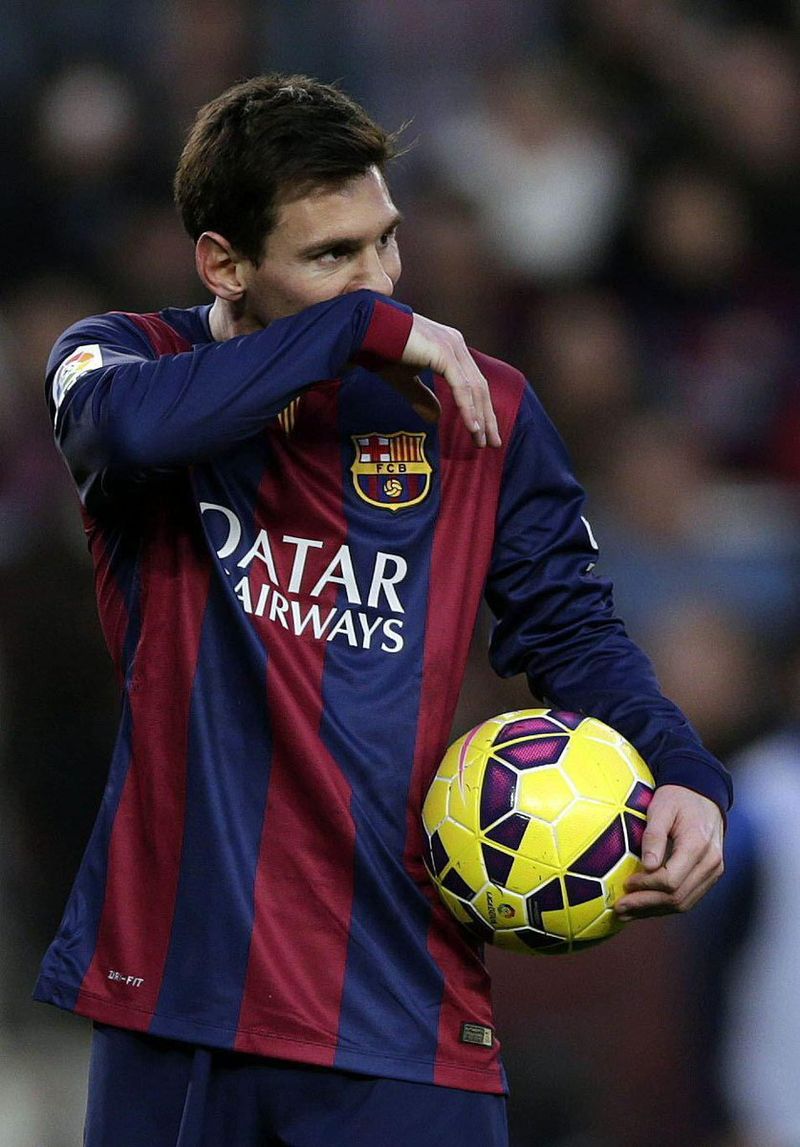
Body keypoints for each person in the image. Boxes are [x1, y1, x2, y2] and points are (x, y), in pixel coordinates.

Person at [35, 74, 729, 1147]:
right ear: (223, 263)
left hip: (399, 1000)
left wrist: (679, 770)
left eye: (383, 244)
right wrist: (352, 333)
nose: (380, 285)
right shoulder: (128, 362)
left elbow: (569, 625)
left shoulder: (474, 406)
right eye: (331, 259)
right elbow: (116, 435)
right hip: (176, 995)